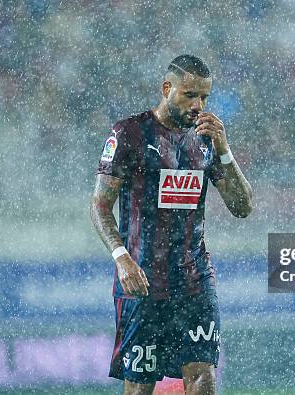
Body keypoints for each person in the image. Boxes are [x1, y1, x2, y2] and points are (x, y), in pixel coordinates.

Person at [90, 55, 253, 395]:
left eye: (204, 97)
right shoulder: (129, 134)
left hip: (194, 280)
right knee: (139, 385)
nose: (199, 105)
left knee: (203, 377)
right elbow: (100, 206)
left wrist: (225, 151)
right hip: (143, 279)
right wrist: (122, 258)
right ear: (167, 89)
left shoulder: (206, 140)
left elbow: (242, 207)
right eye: (190, 95)